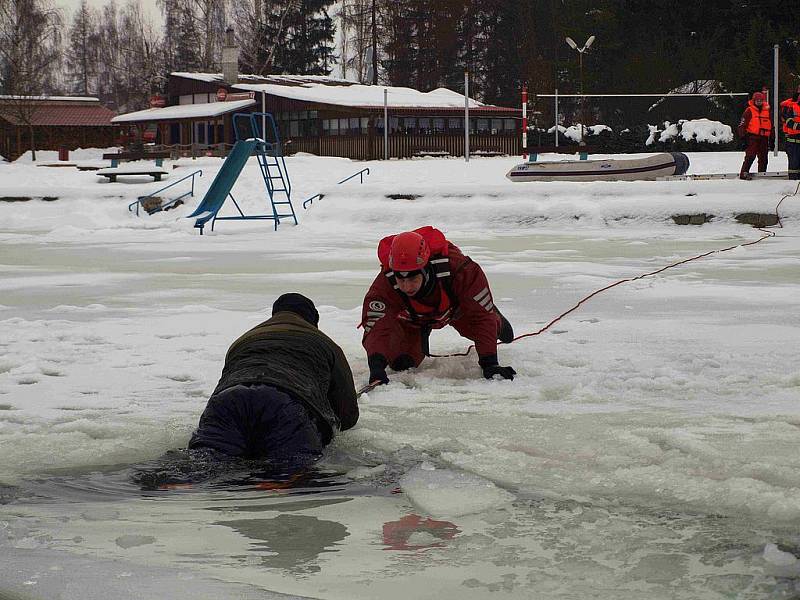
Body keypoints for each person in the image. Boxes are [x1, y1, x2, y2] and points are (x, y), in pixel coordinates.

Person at [189, 293, 358, 462]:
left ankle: (176, 482)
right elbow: (348, 415)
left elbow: (226, 381)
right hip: (287, 403)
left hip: (228, 400)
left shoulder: (243, 340)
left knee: (203, 462)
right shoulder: (325, 343)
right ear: (312, 319)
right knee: (290, 475)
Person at [361, 226, 516, 385]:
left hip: (457, 310)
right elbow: (376, 325)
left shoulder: (460, 269)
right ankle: (421, 332)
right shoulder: (385, 283)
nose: (407, 287)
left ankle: (493, 314)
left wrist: (490, 363)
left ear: (425, 269)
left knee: (496, 328)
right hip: (413, 319)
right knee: (401, 363)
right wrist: (376, 367)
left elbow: (481, 317)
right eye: (400, 279)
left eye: (413, 278)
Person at [738, 91, 772, 180]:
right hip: (752, 137)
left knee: (764, 158)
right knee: (750, 156)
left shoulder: (767, 111)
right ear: (754, 101)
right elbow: (742, 125)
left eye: (761, 100)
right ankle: (744, 173)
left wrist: (772, 139)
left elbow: (771, 125)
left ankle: (762, 174)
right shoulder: (749, 110)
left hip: (764, 138)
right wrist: (743, 138)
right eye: (757, 100)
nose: (759, 102)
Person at [780, 85, 800, 180]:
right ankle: (792, 183)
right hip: (792, 138)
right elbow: (787, 121)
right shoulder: (791, 106)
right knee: (793, 164)